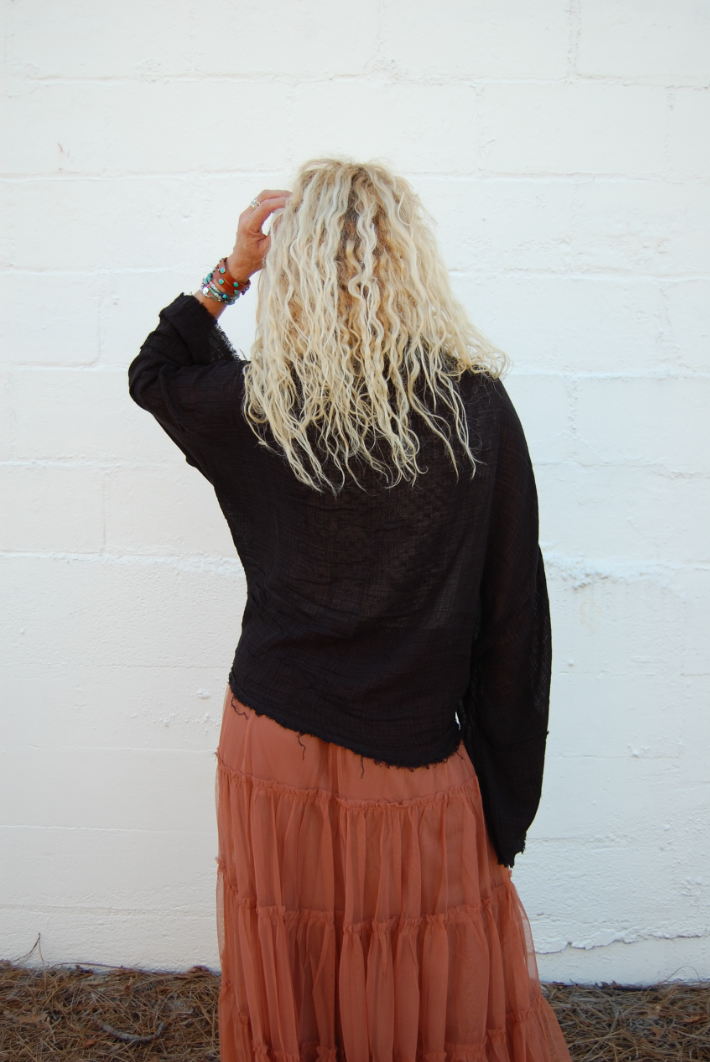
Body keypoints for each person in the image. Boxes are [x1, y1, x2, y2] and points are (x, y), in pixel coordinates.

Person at [128, 158, 572, 1062]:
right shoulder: (473, 410)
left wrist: (232, 272)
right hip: (412, 761)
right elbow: (513, 616)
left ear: (292, 269)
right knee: (422, 994)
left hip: (271, 744)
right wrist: (506, 799)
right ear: (410, 260)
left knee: (297, 977)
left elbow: (156, 371)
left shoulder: (262, 405)